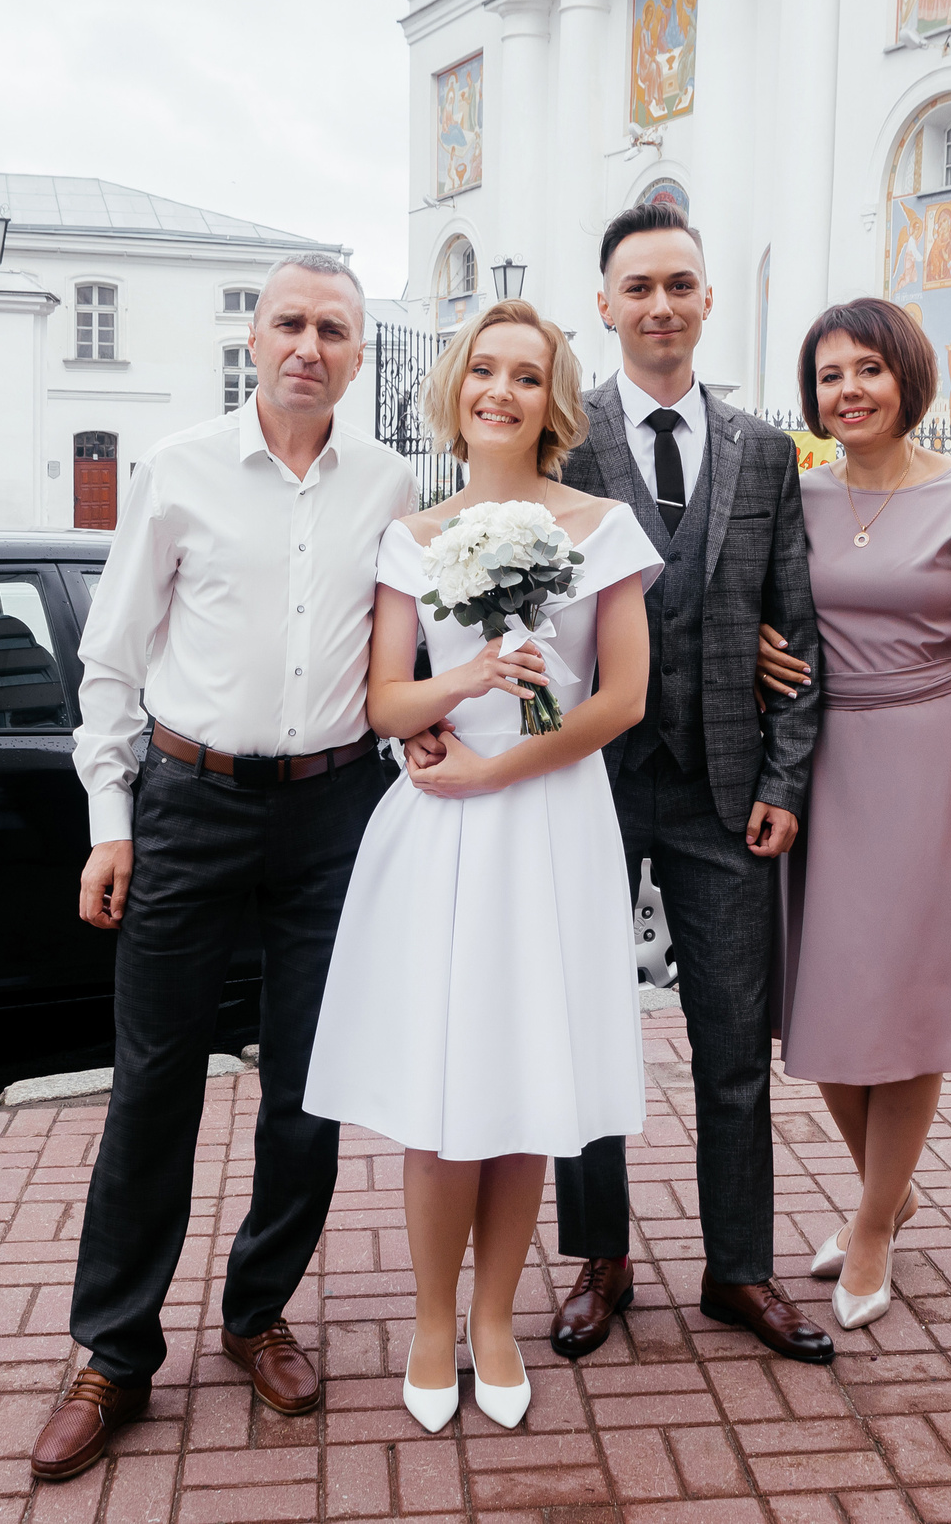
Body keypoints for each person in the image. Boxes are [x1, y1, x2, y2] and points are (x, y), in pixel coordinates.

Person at [421, 200, 832, 1365]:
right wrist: (434, 713)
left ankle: (738, 1269)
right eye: (637, 288)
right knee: (576, 1026)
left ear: (708, 301)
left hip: (722, 791)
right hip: (579, 782)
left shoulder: (762, 451)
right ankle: (598, 1260)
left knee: (732, 1040)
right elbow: (458, 585)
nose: (660, 306)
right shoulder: (562, 435)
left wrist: (786, 781)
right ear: (603, 305)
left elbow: (795, 636)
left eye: (680, 285)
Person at [32, 253, 414, 1485]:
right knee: (153, 1089)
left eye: (335, 329)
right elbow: (110, 663)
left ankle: (257, 1314)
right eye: (291, 323)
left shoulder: (391, 483)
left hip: (333, 810)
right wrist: (109, 817)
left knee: (309, 1089)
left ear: (361, 353)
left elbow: (403, 647)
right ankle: (113, 1351)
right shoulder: (178, 471)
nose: (310, 345)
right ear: (252, 338)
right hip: (188, 805)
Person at [304, 299, 658, 1432]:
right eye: (482, 372)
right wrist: (464, 688)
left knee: (522, 1083)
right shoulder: (414, 535)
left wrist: (500, 771)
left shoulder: (601, 526)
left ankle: (497, 1318)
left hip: (545, 819)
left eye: (523, 375)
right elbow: (384, 699)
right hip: (438, 834)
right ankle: (426, 1320)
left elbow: (620, 699)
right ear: (455, 388)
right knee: (440, 1090)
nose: (499, 391)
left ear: (549, 398)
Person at [757, 297, 951, 1332]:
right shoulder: (795, 497)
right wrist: (762, 647)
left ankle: (875, 1222)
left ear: (906, 379)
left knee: (910, 1005)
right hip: (824, 767)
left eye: (866, 371)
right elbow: (764, 608)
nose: (846, 391)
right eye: (828, 375)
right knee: (830, 1009)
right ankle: (888, 1189)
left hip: (937, 768)